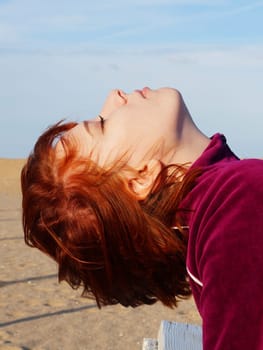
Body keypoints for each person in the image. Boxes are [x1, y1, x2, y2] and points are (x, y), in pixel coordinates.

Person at [21, 87, 263, 349]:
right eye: (103, 124)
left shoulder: (210, 222)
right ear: (140, 179)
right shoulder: (237, 201)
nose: (114, 96)